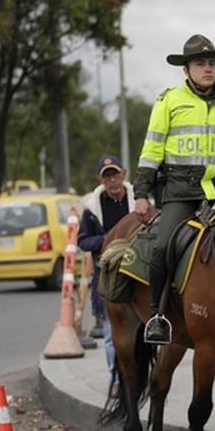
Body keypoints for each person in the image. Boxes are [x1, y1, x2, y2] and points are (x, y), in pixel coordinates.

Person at [134, 34, 215, 344]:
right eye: (201, 63)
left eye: (212, 63)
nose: (208, 68)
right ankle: (158, 316)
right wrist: (141, 193)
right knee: (163, 246)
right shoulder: (168, 102)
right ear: (186, 70)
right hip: (181, 192)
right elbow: (152, 149)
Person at [77, 154, 135, 384]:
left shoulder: (138, 201)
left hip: (136, 272)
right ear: (100, 180)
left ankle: (142, 375)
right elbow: (83, 240)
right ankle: (117, 379)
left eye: (115, 175)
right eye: (107, 176)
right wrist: (108, 241)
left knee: (141, 332)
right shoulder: (92, 209)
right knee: (112, 333)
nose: (112, 181)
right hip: (108, 276)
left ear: (124, 175)